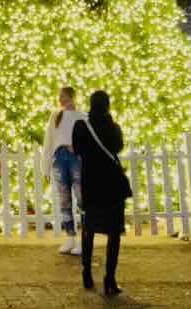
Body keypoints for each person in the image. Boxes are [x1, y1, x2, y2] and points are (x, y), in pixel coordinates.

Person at [72, 90, 132, 296]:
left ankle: (87, 273)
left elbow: (77, 149)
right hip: (112, 186)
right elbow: (118, 147)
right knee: (113, 234)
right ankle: (110, 279)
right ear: (107, 105)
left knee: (88, 231)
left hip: (92, 185)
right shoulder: (113, 127)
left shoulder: (81, 126)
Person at [42, 86, 86, 254]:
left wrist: (78, 148)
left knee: (82, 198)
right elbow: (48, 140)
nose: (61, 100)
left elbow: (88, 140)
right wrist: (46, 166)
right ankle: (70, 237)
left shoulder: (82, 116)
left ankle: (84, 239)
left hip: (76, 159)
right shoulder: (55, 116)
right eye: (60, 96)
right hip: (59, 159)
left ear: (72, 97)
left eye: (65, 96)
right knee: (64, 200)